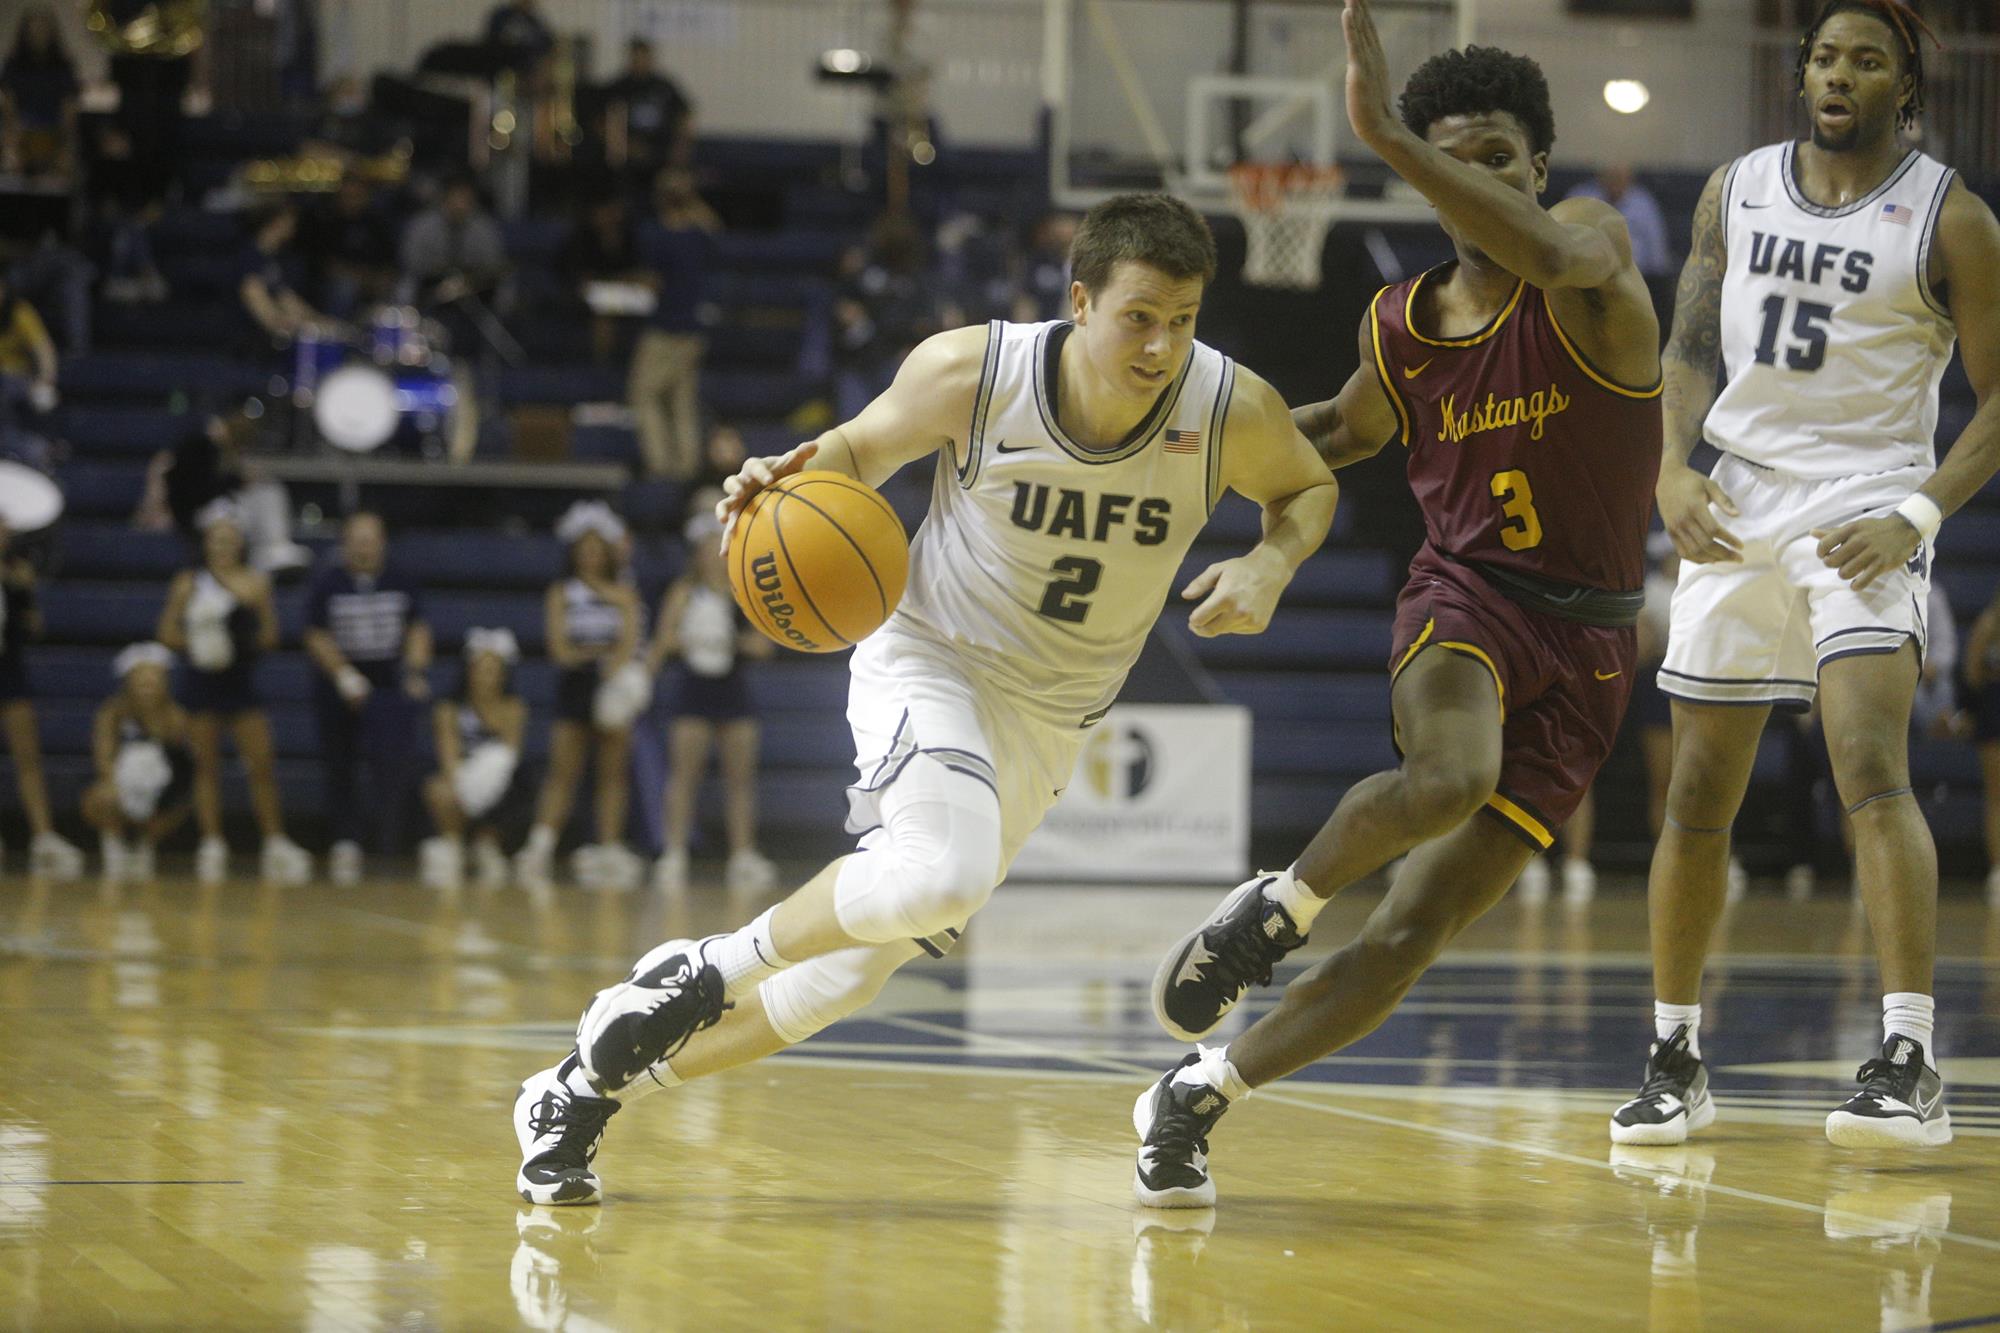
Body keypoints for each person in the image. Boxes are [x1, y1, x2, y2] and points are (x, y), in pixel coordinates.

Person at [509, 190, 1338, 1206]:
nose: (1161, 345)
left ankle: (578, 1088)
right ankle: (707, 968)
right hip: (933, 659)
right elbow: (858, 450)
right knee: (942, 875)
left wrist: (1271, 562)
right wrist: (784, 480)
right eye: (1138, 317)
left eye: (1182, 320)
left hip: (1052, 718)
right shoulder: (976, 373)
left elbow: (1308, 487)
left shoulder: (1226, 406)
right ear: (1080, 302)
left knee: (840, 980)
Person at [1131, 3, 1664, 1208]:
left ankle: (1199, 1092)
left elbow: (1559, 255)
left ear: (1538, 167)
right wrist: (1175, 456)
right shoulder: (1399, 323)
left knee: (1412, 934)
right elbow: (1335, 430)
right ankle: (1278, 906)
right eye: (1447, 161)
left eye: (1497, 158)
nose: (1477, 180)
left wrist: (1389, 137)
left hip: (1591, 639)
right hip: (1465, 594)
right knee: (1447, 776)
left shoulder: (1586, 256)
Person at [1615, 0, 2000, 1149]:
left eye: (1865, 60)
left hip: (1867, 502)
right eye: (1824, 56)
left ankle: (1906, 1059)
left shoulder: (1951, 217)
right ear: (1801, 74)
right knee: (1695, 794)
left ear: (1903, 87)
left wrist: (1915, 514)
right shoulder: (1732, 189)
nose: (1838, 74)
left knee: (1868, 765)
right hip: (1736, 498)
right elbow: (1688, 345)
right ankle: (1673, 1056)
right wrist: (1669, 471)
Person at [156, 501, 313, 886]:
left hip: (240, 682)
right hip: (201, 682)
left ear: (240, 543)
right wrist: (200, 644)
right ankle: (212, 842)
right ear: (206, 543)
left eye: (230, 540)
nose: (223, 547)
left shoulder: (255, 582)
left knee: (261, 763)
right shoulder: (189, 583)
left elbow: (271, 635)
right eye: (217, 540)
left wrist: (237, 643)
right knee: (205, 765)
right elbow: (166, 632)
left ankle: (274, 841)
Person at [514, 502, 647, 893]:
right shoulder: (561, 592)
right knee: (563, 770)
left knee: (613, 773)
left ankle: (608, 847)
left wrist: (610, 666)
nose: (590, 557)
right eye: (583, 551)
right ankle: (540, 846)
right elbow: (559, 648)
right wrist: (591, 657)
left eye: (596, 550)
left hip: (612, 685)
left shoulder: (623, 590)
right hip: (575, 684)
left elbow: (630, 636)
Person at [647, 506, 776, 894]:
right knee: (683, 775)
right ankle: (674, 852)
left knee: (741, 778)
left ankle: (742, 854)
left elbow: (764, 645)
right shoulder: (684, 592)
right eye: (705, 549)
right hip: (694, 688)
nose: (712, 556)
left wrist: (731, 641)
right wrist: (693, 637)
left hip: (733, 688)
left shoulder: (744, 590)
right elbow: (664, 639)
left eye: (717, 548)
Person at [302, 511, 433, 886]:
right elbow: (316, 634)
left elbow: (417, 628)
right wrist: (343, 676)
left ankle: (391, 839)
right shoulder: (328, 582)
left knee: (393, 764)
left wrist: (414, 671)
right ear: (345, 543)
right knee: (340, 763)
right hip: (339, 684)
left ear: (382, 543)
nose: (364, 547)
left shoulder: (401, 579)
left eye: (370, 540)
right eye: (357, 540)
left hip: (388, 681)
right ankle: (346, 838)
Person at [0, 516, 83, 879]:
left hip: (9, 670)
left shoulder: (17, 573)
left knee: (27, 755)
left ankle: (43, 836)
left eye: (4, 529)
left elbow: (34, 628)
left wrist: (24, 591)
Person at [627, 168, 720, 480]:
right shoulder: (699, 235)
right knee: (681, 398)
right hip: (693, 328)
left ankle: (661, 464)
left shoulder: (658, 235)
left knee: (644, 394)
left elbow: (652, 283)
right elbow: (714, 228)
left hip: (665, 327)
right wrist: (692, 199)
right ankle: (687, 465)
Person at [419, 628, 527, 892]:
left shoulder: (513, 707)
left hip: (500, 785)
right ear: (468, 671)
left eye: (493, 670)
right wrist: (465, 788)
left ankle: (487, 844)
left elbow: (510, 756)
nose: (486, 677)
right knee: (438, 790)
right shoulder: (449, 708)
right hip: (463, 780)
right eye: (481, 669)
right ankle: (453, 844)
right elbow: (448, 757)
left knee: (516, 781)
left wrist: (486, 785)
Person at [81, 641, 193, 884]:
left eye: (154, 676)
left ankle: (145, 845)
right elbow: (104, 752)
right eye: (141, 676)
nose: (147, 683)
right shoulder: (113, 712)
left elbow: (180, 762)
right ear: (128, 680)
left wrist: (154, 720)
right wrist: (111, 783)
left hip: (160, 788)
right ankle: (114, 846)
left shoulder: (175, 714)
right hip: (121, 783)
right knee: (99, 799)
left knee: (179, 805)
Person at [0, 5, 80, 180]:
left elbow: (69, 107)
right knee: (11, 167)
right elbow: (8, 105)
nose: (39, 35)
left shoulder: (62, 66)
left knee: (65, 170)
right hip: (21, 133)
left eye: (43, 30)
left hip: (55, 133)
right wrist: (12, 142)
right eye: (34, 30)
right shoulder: (13, 65)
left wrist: (66, 145)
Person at [600, 38, 693, 179]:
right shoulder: (618, 87)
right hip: (627, 153)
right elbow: (605, 123)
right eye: (636, 57)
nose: (640, 62)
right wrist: (625, 146)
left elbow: (684, 115)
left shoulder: (665, 86)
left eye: (644, 57)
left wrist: (680, 149)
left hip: (663, 153)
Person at [1566, 164, 1672, 277]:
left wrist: (1658, 277)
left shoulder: (1643, 202)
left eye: (1620, 177)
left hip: (1635, 275)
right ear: (1600, 176)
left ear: (1630, 178)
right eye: (1611, 176)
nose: (1615, 182)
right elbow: (1565, 239)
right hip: (1587, 275)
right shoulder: (1580, 197)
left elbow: (1656, 247)